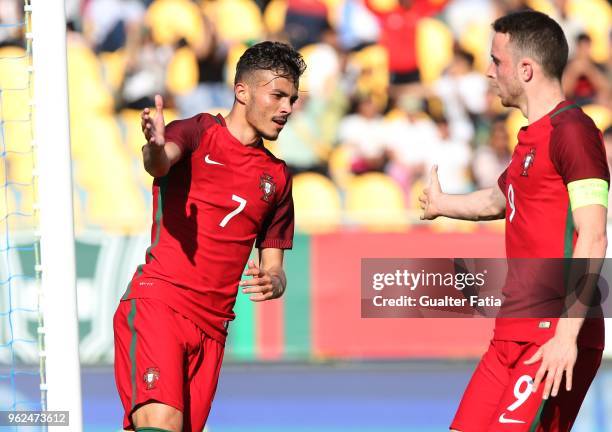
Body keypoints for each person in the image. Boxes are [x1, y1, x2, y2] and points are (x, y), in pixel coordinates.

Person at [420, 11, 608, 431]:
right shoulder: (530, 137)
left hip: (552, 334)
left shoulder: (574, 132)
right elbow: (499, 197)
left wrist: (565, 336)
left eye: (496, 61)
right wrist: (442, 203)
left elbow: (594, 237)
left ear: (526, 69)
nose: (488, 72)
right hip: (509, 335)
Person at [113, 41, 306, 432]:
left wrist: (274, 280)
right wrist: (153, 146)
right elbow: (161, 160)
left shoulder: (278, 178)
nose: (287, 108)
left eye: (293, 98)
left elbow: (275, 266)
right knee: (161, 420)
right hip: (160, 302)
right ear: (242, 91)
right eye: (278, 95)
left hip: (213, 331)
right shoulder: (198, 132)